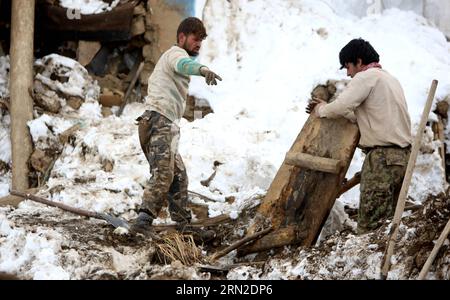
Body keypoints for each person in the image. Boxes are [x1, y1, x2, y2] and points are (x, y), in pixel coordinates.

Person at [307, 38, 412, 234]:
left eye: (348, 66)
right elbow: (361, 115)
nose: (348, 73)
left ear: (359, 61)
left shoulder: (366, 77)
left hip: (383, 158)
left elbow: (340, 105)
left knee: (370, 227)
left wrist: (321, 109)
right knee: (388, 225)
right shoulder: (389, 79)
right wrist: (335, 110)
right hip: (402, 159)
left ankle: (371, 263)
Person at [131, 17, 222, 234]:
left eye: (201, 40)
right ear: (181, 37)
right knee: (164, 173)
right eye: (195, 38)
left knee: (179, 176)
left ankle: (183, 225)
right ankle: (142, 222)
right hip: (159, 121)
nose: (198, 43)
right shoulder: (176, 54)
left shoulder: (177, 57)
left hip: (162, 122)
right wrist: (202, 70)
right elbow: (184, 64)